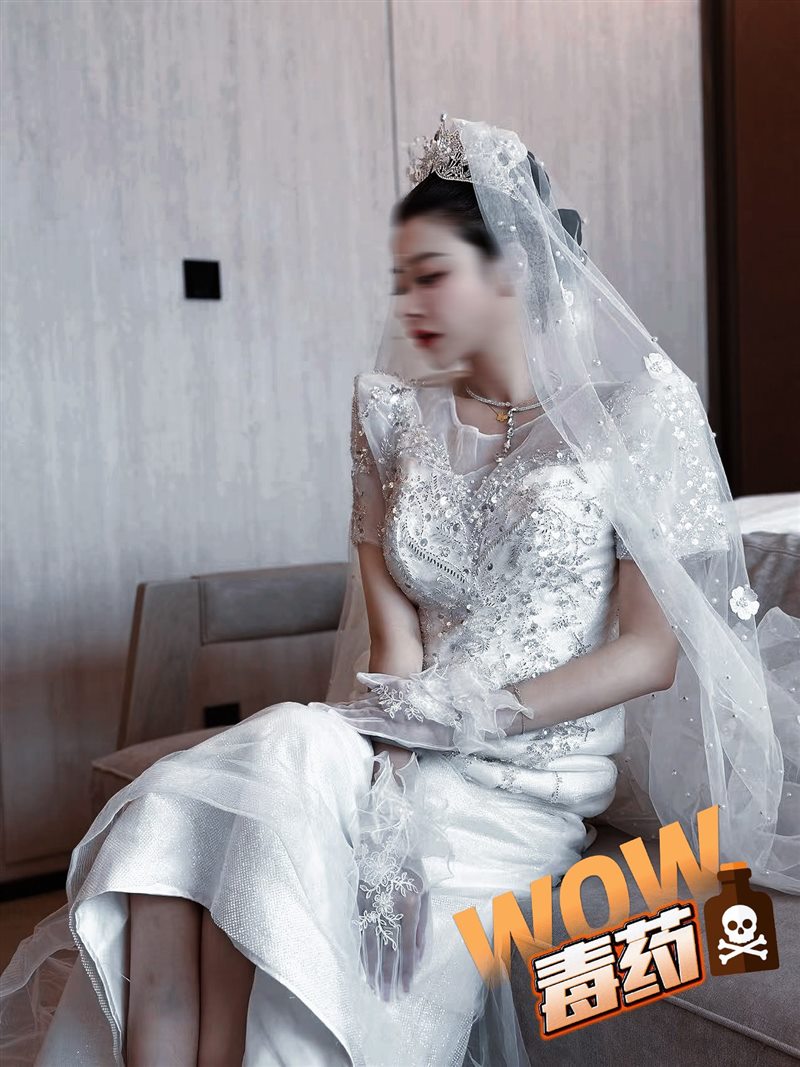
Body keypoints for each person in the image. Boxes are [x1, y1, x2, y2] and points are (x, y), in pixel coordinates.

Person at [1, 115, 797, 1067]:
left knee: (269, 876)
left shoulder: (635, 413)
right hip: (386, 748)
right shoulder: (388, 415)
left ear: (512, 270)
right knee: (192, 825)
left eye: (432, 273)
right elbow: (396, 652)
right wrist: (388, 799)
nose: (409, 300)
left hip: (517, 782)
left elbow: (649, 652)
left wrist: (481, 716)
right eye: (401, 278)